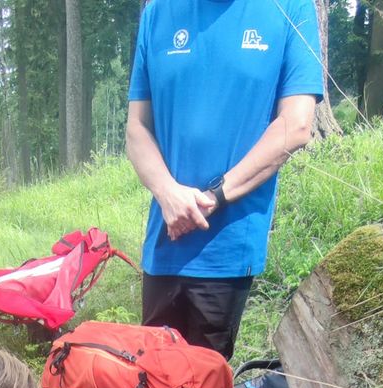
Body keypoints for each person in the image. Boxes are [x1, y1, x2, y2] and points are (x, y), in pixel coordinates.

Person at [126, 0, 323, 359]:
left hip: (225, 248)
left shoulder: (290, 9)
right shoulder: (158, 13)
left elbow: (296, 125)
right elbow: (137, 128)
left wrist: (215, 195)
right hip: (163, 243)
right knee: (151, 385)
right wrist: (169, 194)